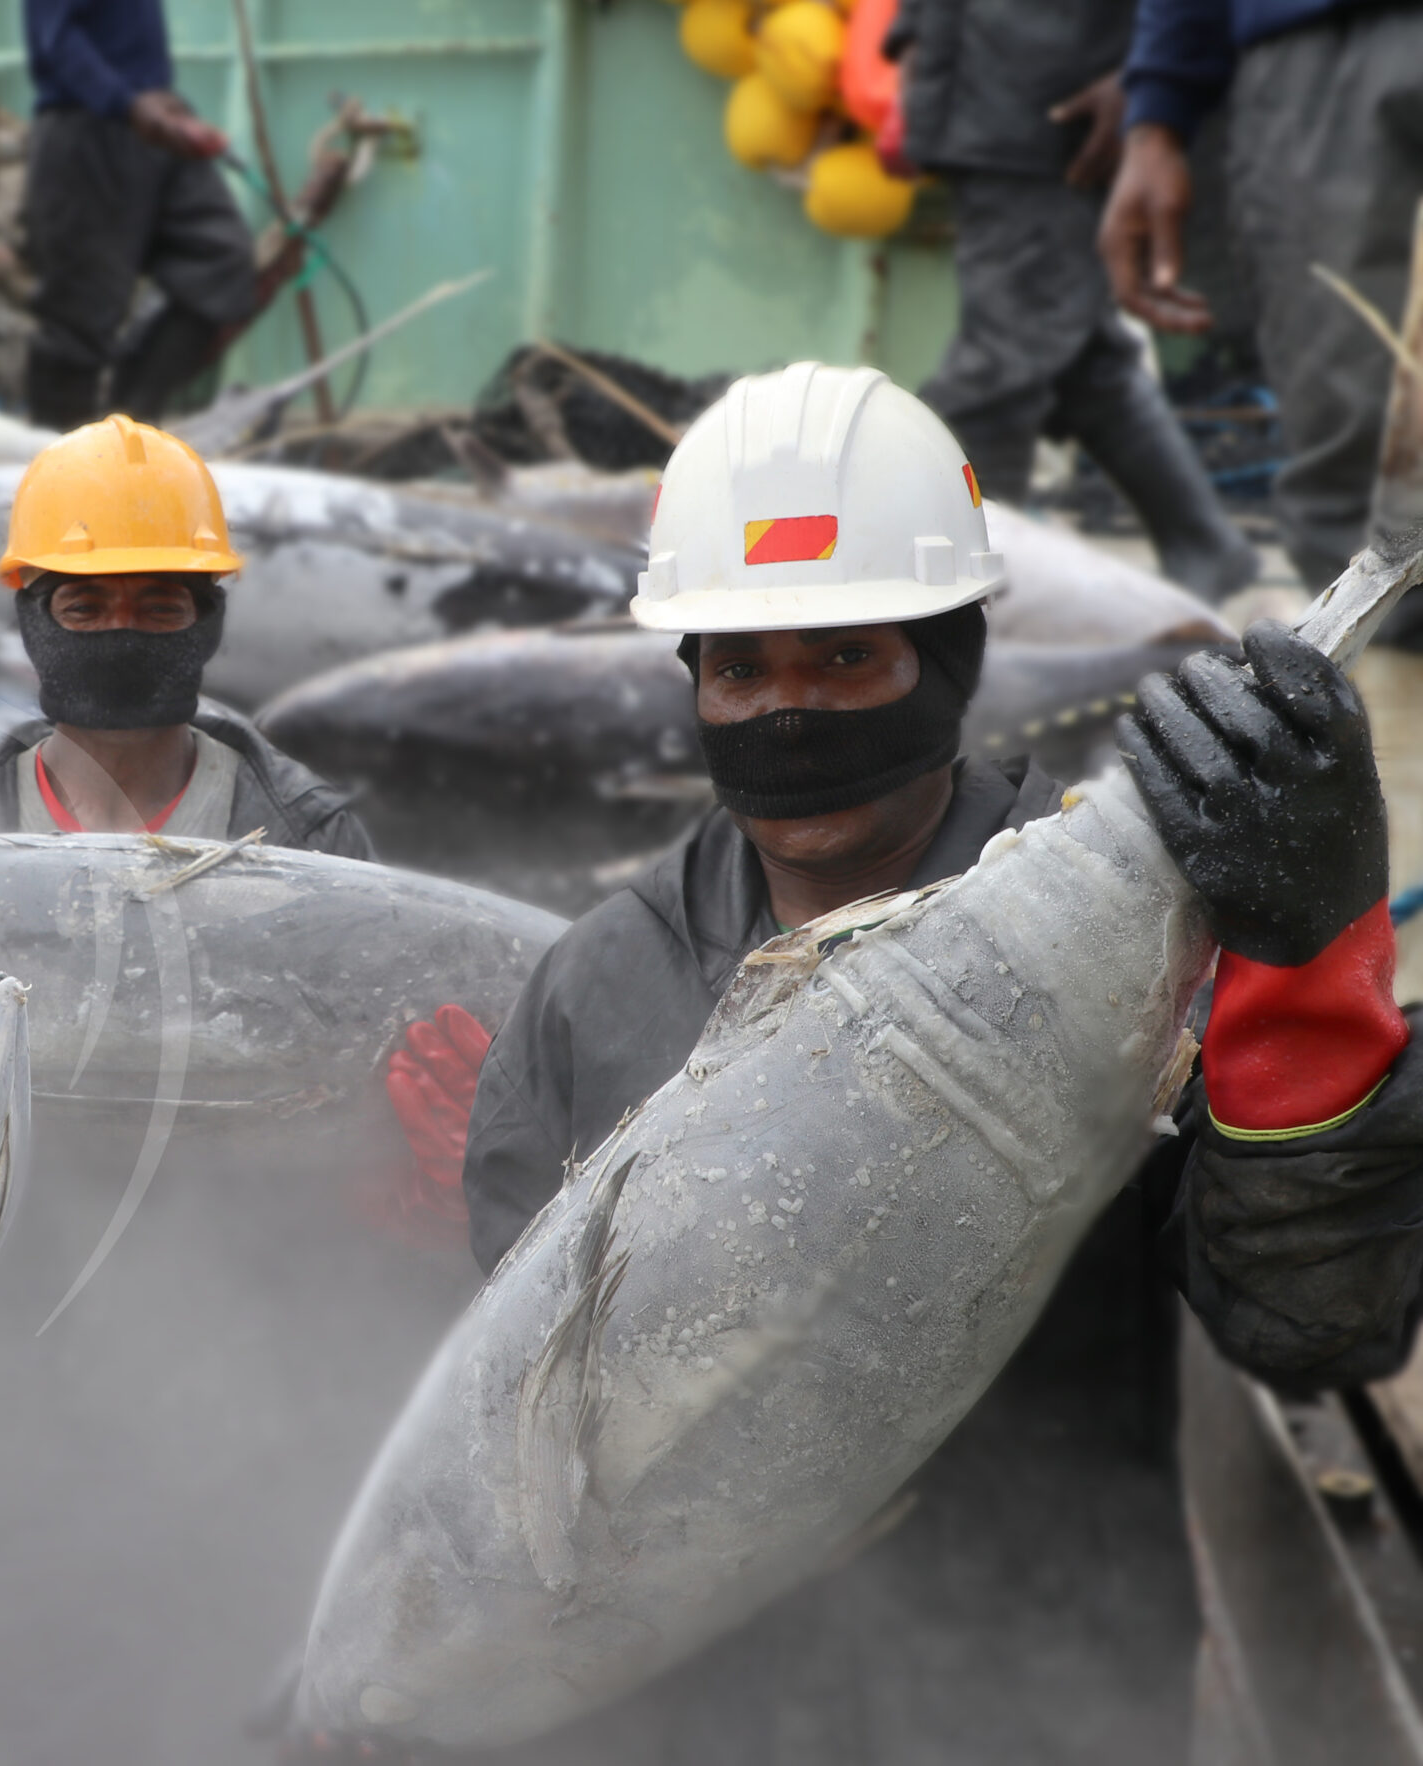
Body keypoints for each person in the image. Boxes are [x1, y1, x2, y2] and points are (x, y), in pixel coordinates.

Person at [380, 363, 1423, 1760]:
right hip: (682, 1708)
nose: (791, 710)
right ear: (689, 679)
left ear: (950, 665)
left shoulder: (1122, 952)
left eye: (846, 658)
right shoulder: (601, 977)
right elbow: (536, 1418)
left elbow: (1313, 1323)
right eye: (743, 666)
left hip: (1039, 1682)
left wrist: (1311, 967)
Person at [890, 0, 1260, 599]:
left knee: (998, 370)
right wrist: (915, 36)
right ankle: (1205, 545)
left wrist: (1142, 79)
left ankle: (960, 596)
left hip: (1057, 111)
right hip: (980, 103)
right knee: (1083, 358)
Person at [0, 415, 373, 857]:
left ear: (208, 621)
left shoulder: (313, 838)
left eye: (160, 609)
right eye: (85, 609)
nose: (121, 633)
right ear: (31, 622)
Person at [1098, 0, 1423, 599]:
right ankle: (1379, 680)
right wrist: (1156, 115)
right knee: (1358, 461)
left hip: (1323, 62)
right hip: (1318, 49)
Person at [19, 0, 259, 428]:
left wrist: (157, 102)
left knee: (223, 257)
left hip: (153, 122)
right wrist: (124, 102)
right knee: (78, 320)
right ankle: (59, 473)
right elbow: (55, 35)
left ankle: (129, 425)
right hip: (88, 127)